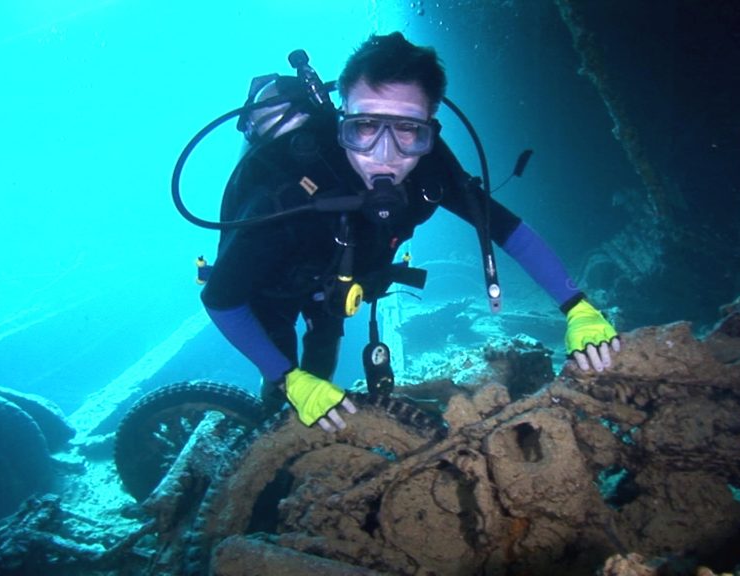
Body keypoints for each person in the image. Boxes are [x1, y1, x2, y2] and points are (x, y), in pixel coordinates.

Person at [200, 32, 620, 432]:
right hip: (271, 287)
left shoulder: (431, 167)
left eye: (407, 129)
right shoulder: (288, 190)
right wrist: (287, 378)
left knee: (322, 361)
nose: (385, 155)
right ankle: (269, 422)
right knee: (285, 385)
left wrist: (577, 307)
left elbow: (509, 230)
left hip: (335, 289)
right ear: (342, 117)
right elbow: (221, 300)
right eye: (365, 126)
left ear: (429, 126)